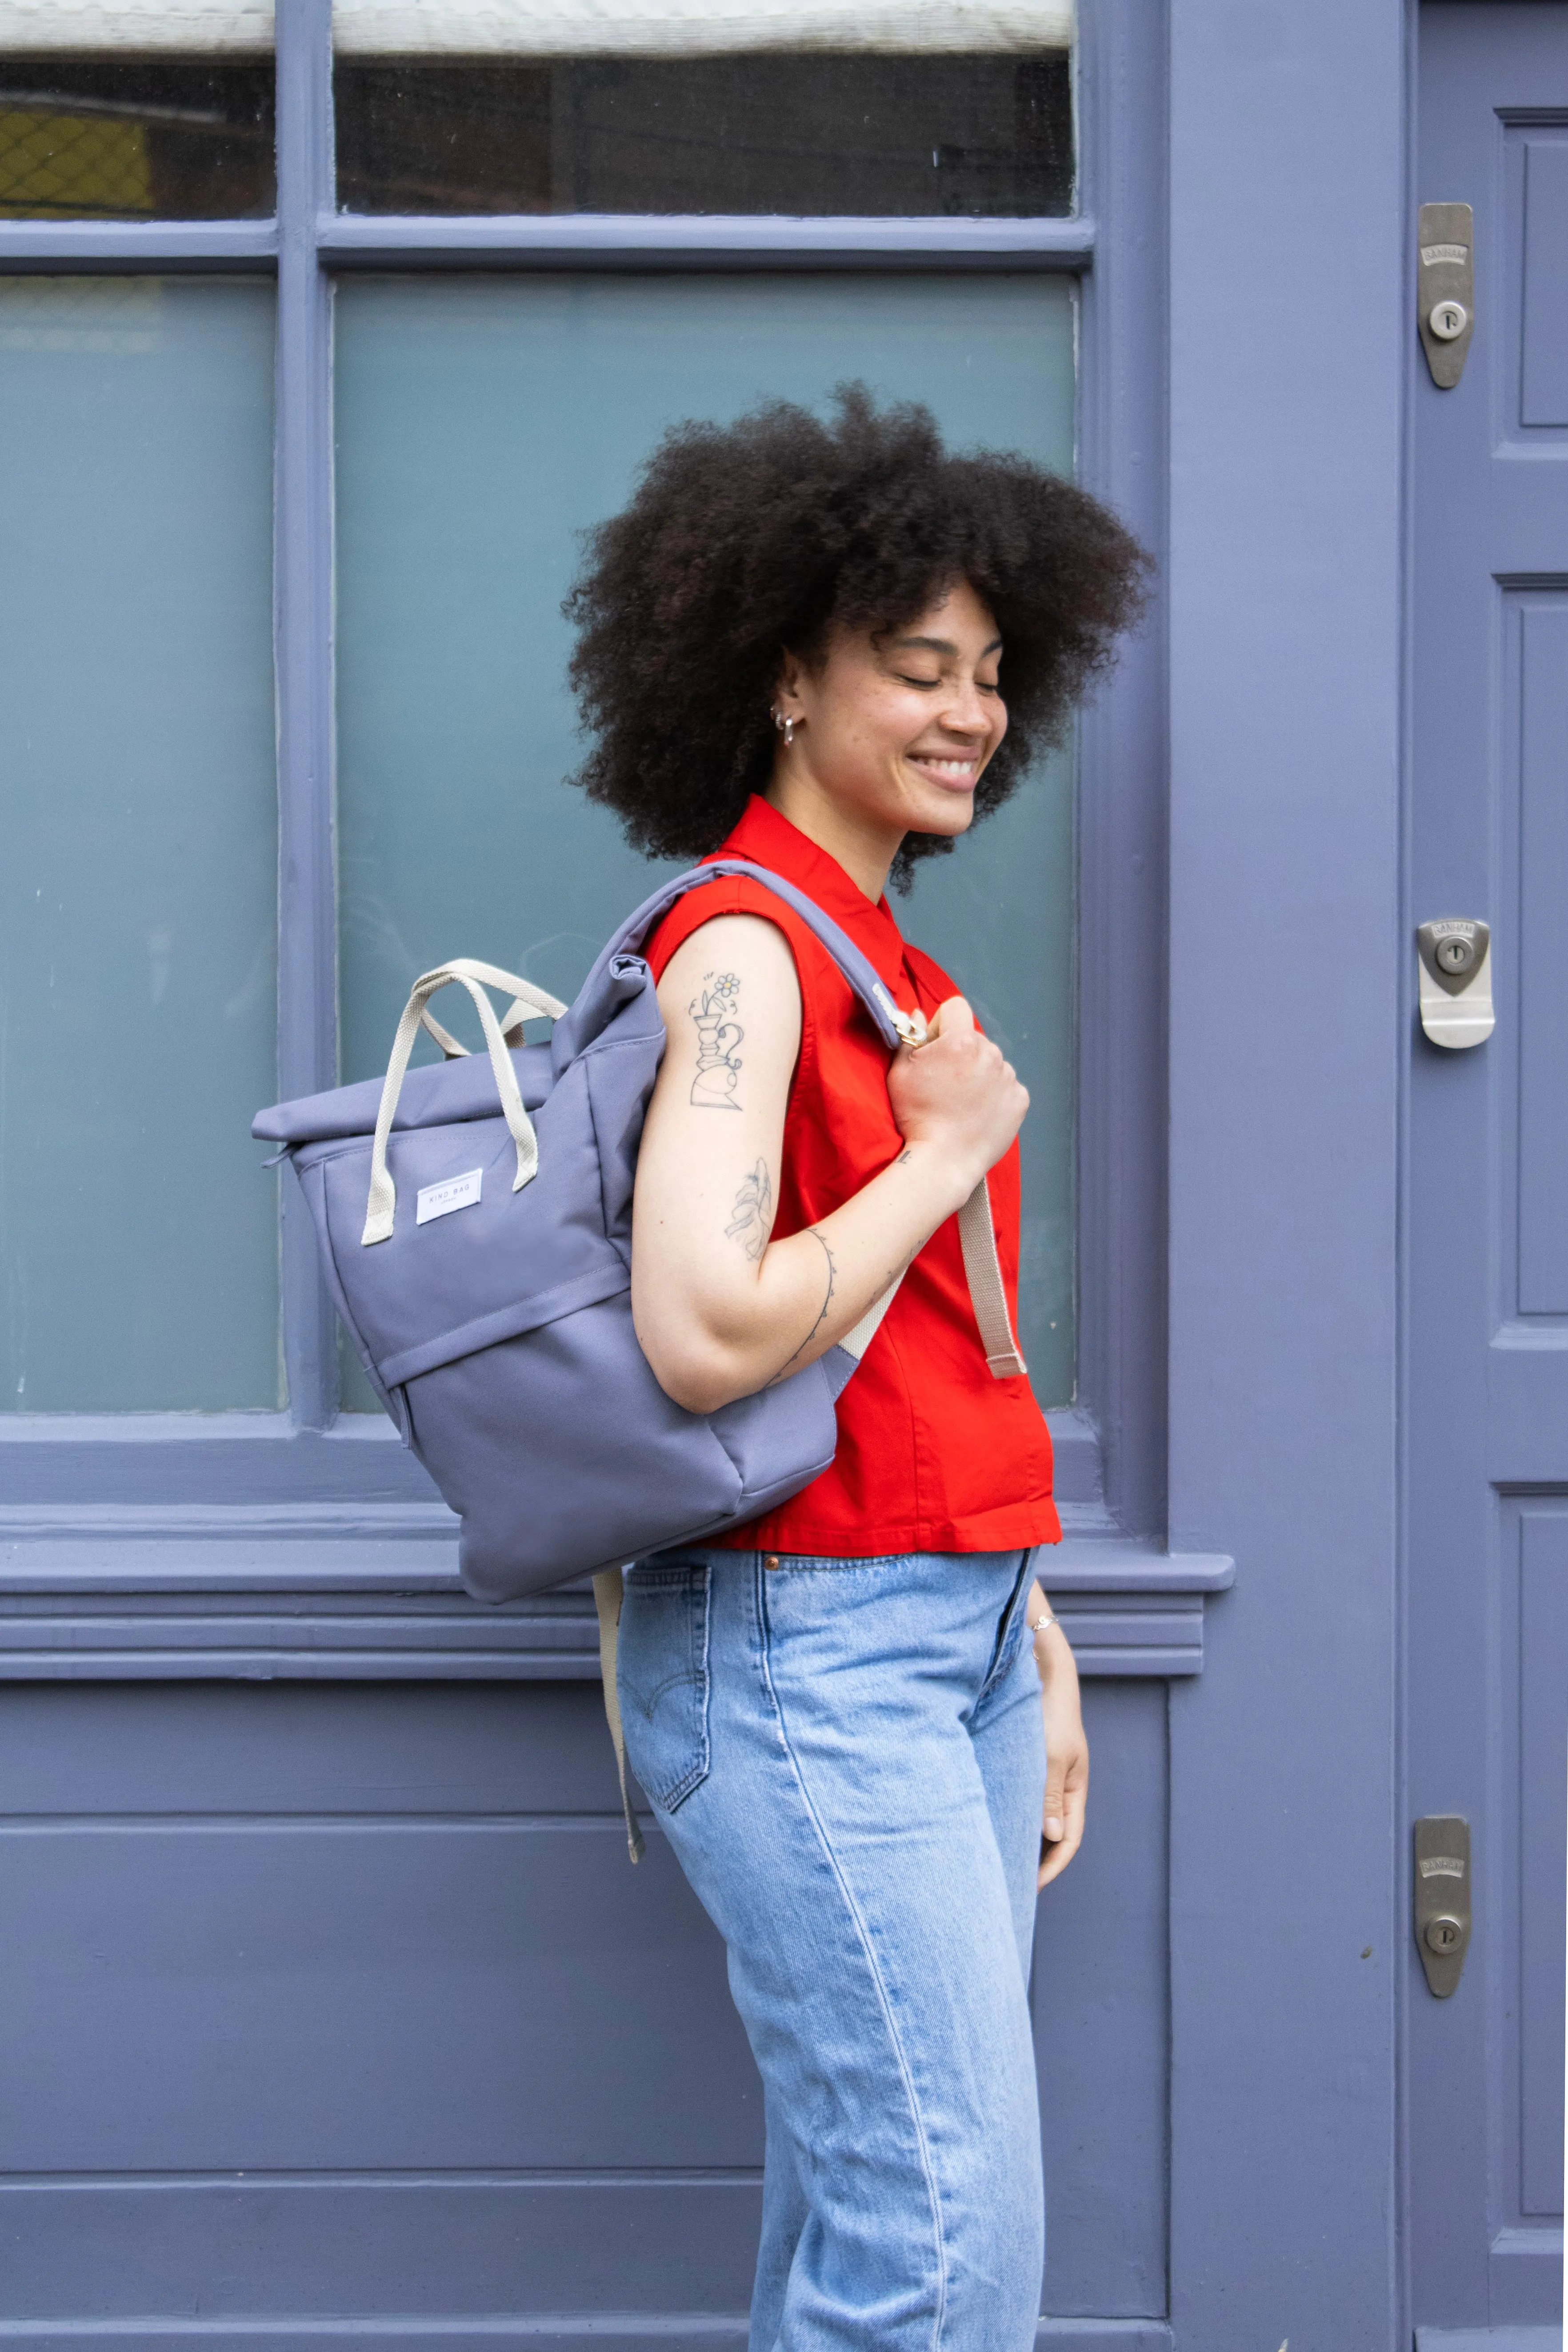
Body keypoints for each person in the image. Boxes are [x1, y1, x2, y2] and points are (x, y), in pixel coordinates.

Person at [565, 385, 1147, 2352]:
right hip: (805, 1650)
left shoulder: (882, 955)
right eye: (917, 667)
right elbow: (704, 1326)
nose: (970, 711)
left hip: (937, 1636)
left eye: (993, 673)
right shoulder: (748, 949)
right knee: (939, 2246)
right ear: (787, 679)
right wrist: (948, 1153)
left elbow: (915, 1359)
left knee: (879, 2217)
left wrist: (1028, 1630)